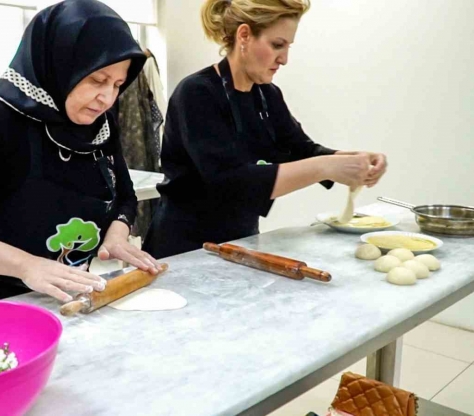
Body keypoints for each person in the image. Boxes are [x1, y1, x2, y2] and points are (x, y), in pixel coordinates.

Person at [0, 0, 162, 303]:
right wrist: (26, 265)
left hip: (54, 297)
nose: (107, 98)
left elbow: (124, 195)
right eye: (97, 80)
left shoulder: (98, 124)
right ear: (60, 64)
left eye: (118, 84)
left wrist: (117, 233)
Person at [143, 0, 388, 259]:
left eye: (288, 47)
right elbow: (230, 182)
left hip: (241, 242)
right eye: (277, 45)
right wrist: (327, 167)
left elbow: (302, 150)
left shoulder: (267, 95)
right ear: (245, 35)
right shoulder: (197, 93)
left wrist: (352, 161)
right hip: (182, 250)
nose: (284, 59)